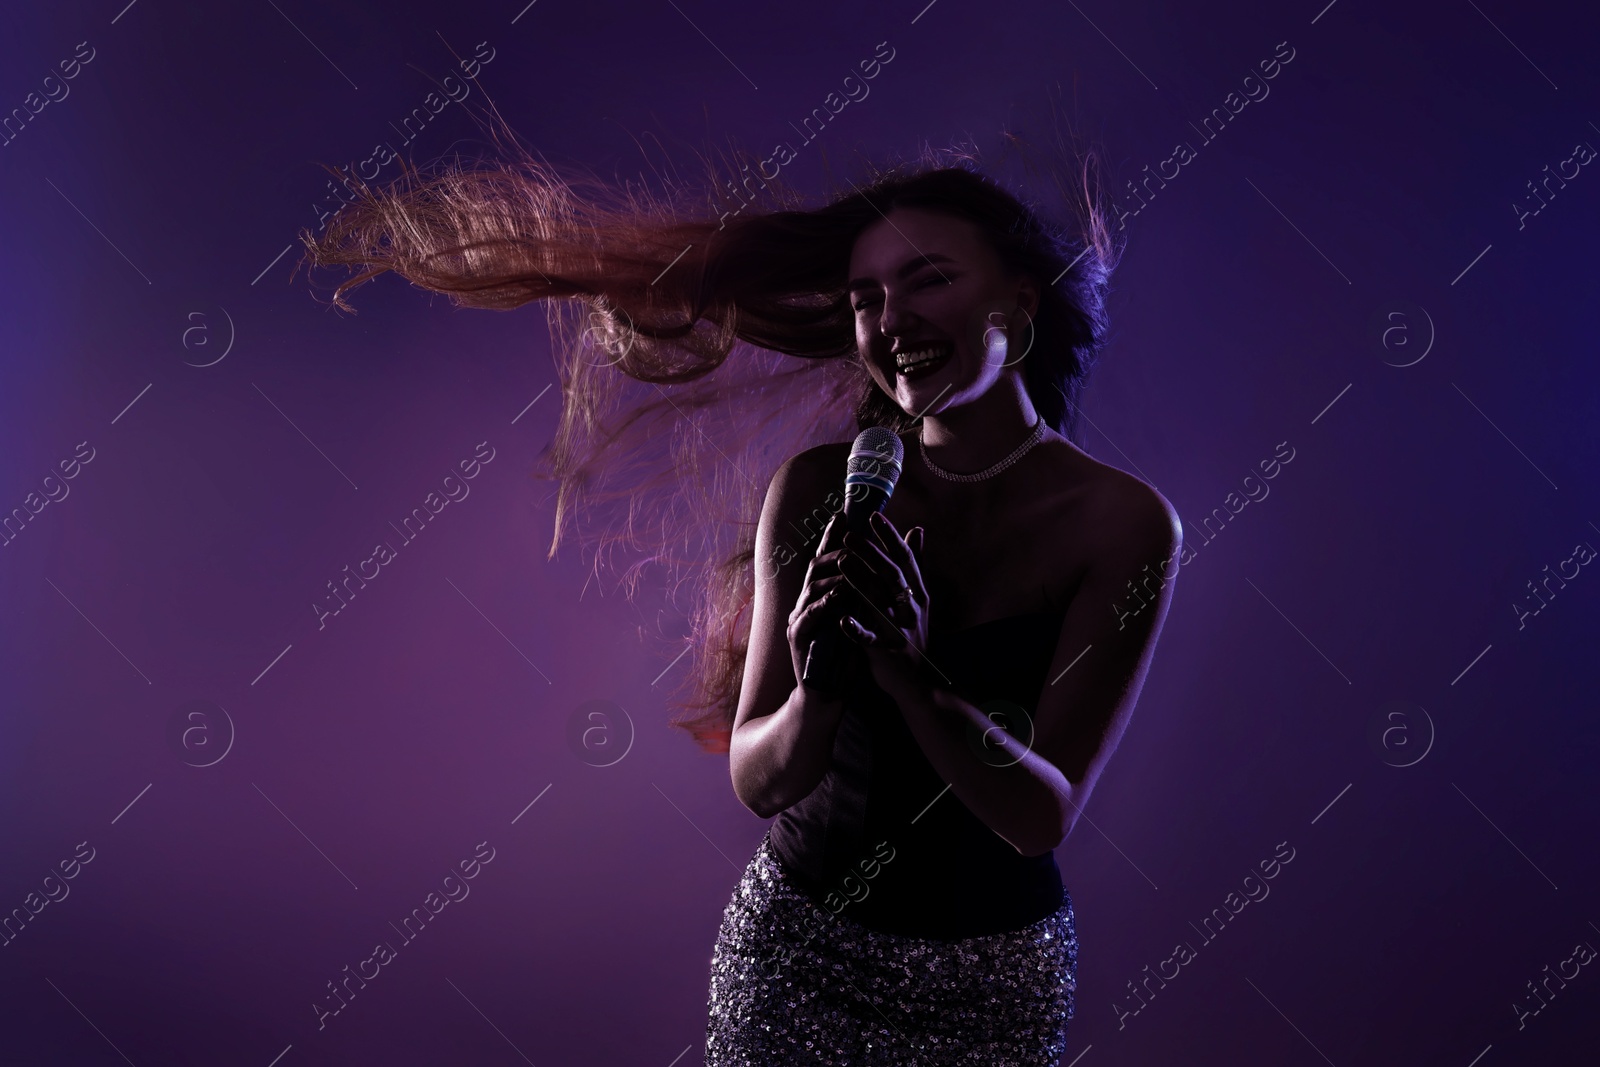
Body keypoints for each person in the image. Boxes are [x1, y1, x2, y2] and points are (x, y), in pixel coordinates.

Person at [297, 130, 1180, 1065]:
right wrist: (818, 689)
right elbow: (761, 781)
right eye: (865, 300)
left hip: (987, 990)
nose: (892, 320)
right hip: (797, 961)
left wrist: (911, 677)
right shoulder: (816, 491)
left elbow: (1037, 814)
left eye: (928, 280)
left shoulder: (1121, 525)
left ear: (1020, 300)